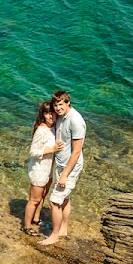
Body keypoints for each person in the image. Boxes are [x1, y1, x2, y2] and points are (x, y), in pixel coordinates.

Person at [40, 90, 85, 246]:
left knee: (54, 201)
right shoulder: (60, 116)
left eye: (61, 104)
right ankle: (63, 229)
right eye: (56, 105)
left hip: (70, 167)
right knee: (64, 198)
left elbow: (77, 151)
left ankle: (54, 235)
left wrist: (65, 174)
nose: (58, 108)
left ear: (68, 103)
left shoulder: (76, 120)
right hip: (60, 163)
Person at [22, 101, 63, 235]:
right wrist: (52, 149)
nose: (51, 116)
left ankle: (36, 218)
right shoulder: (41, 130)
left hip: (49, 168)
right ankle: (26, 226)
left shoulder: (54, 127)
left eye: (53, 113)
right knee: (34, 200)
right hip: (39, 169)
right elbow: (33, 152)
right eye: (47, 113)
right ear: (43, 115)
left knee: (43, 196)